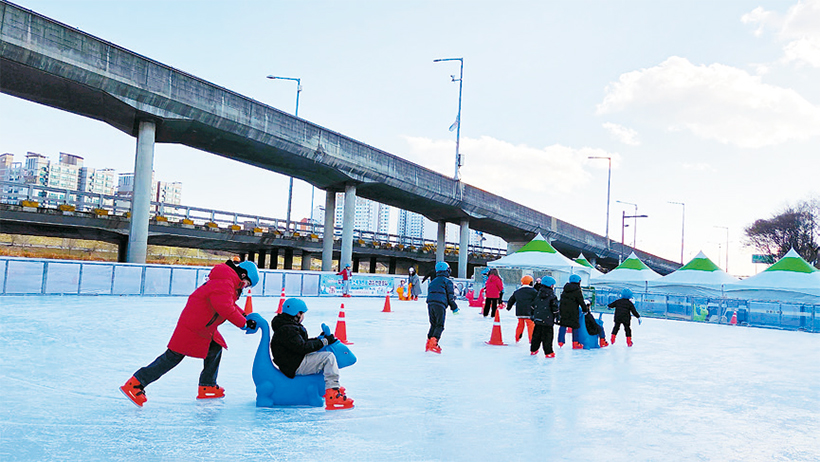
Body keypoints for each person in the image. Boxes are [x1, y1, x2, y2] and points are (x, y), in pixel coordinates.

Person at [120, 259, 260, 407]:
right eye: (247, 283)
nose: (245, 287)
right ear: (243, 274)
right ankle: (135, 384)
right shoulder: (226, 282)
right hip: (194, 326)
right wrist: (243, 323)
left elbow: (230, 304)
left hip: (203, 326)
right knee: (172, 357)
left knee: (215, 348)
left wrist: (245, 316)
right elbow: (224, 307)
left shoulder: (227, 281)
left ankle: (208, 386)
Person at [269, 298, 354, 410]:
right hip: (294, 364)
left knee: (321, 353)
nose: (303, 316)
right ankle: (332, 393)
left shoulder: (287, 326)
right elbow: (302, 347)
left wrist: (320, 339)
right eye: (302, 313)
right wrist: (324, 341)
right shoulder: (288, 329)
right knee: (328, 357)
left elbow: (300, 343)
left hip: (293, 361)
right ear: (297, 313)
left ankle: (327, 387)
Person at [425, 261, 459, 353]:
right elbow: (450, 297)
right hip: (440, 304)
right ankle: (433, 344)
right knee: (439, 325)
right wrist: (454, 307)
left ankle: (428, 343)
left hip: (430, 304)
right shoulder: (447, 282)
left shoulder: (433, 281)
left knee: (433, 324)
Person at [530, 276, 559, 357]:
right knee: (547, 337)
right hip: (548, 320)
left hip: (538, 318)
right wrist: (557, 316)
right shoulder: (552, 295)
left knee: (536, 335)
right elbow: (554, 307)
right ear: (551, 285)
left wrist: (533, 314)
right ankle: (548, 352)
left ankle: (533, 349)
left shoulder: (538, 294)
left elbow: (533, 305)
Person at [557, 274, 587, 349]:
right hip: (573, 310)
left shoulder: (565, 289)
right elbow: (581, 301)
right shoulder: (577, 290)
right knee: (575, 326)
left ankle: (560, 341)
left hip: (563, 310)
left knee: (563, 325)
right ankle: (575, 343)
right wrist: (585, 309)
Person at [506, 275, 537, 343]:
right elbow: (537, 300)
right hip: (529, 311)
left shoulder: (517, 291)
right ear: (531, 282)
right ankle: (531, 340)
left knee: (520, 324)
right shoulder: (533, 291)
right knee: (530, 325)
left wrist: (508, 307)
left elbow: (511, 300)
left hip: (519, 311)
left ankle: (517, 337)